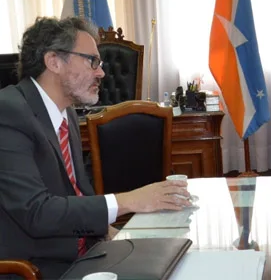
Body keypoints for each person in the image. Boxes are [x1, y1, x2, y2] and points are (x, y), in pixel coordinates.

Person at [0, 17, 192, 278]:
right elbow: (37, 212)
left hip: (86, 255)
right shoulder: (8, 112)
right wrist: (130, 200)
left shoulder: (64, 113)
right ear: (54, 61)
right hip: (38, 269)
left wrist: (114, 234)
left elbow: (77, 193)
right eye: (92, 61)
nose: (101, 72)